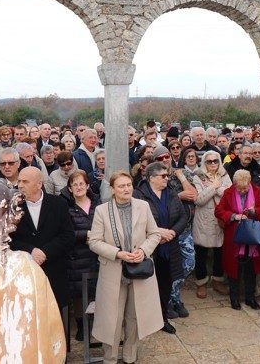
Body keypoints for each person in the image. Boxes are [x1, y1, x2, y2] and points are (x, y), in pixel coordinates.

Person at [87, 170, 164, 364]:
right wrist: (117, 253)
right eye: (121, 186)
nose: (126, 189)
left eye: (129, 185)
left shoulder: (143, 206)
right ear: (112, 189)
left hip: (139, 271)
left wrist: (144, 251)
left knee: (134, 317)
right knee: (112, 319)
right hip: (113, 272)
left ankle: (130, 357)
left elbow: (154, 234)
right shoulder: (102, 210)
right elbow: (94, 242)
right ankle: (110, 358)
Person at [10, 167, 74, 318]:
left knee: (56, 321)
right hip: (25, 274)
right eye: (19, 181)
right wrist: (31, 250)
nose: (20, 185)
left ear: (39, 184)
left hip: (54, 273)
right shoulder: (13, 207)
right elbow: (9, 239)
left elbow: (68, 236)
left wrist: (46, 252)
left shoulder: (58, 204)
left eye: (25, 181)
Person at [133, 162, 187, 327]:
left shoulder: (171, 193)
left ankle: (163, 318)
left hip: (168, 247)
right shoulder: (139, 194)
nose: (167, 178)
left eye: (167, 175)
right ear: (151, 178)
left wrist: (171, 233)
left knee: (166, 283)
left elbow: (183, 217)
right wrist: (158, 233)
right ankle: (146, 320)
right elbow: (138, 221)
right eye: (163, 176)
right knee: (148, 285)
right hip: (150, 248)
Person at [215, 169, 260, 310]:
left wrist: (254, 211)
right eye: (240, 188)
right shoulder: (229, 192)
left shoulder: (256, 190)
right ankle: (234, 298)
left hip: (252, 236)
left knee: (251, 268)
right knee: (235, 269)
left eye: (245, 187)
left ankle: (251, 298)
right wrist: (234, 216)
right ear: (235, 184)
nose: (243, 190)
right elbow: (219, 211)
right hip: (235, 236)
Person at [59, 170, 99, 342]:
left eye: (81, 183)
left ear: (88, 185)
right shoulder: (66, 208)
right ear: (70, 188)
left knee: (96, 291)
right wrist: (85, 235)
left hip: (97, 254)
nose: (78, 187)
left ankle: (95, 323)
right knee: (79, 293)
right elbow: (65, 233)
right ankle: (82, 325)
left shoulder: (98, 204)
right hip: (77, 256)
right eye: (74, 184)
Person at [192, 151, 232, 298]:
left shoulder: (224, 175)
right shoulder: (198, 176)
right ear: (204, 162)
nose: (213, 164)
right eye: (209, 161)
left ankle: (217, 281)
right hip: (203, 219)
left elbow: (230, 194)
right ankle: (201, 283)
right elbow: (199, 199)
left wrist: (213, 188)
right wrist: (214, 187)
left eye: (215, 161)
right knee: (201, 253)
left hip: (220, 219)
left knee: (219, 253)